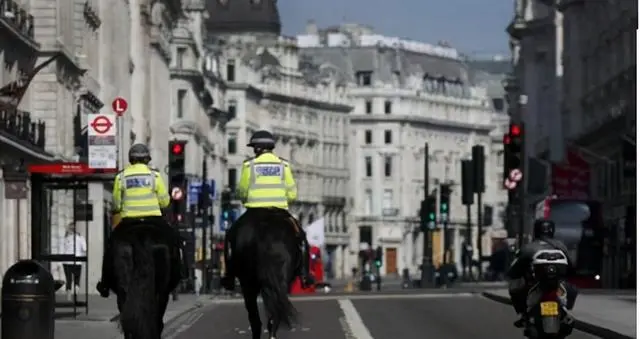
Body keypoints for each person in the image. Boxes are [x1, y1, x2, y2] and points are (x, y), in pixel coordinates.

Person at [220, 130, 313, 290]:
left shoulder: (249, 165)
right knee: (301, 238)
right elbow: (292, 193)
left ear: (256, 149)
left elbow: (242, 191)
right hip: (279, 211)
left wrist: (246, 198)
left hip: (254, 211)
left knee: (231, 237)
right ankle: (305, 274)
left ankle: (230, 276)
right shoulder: (284, 165)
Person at [96, 143, 174, 298]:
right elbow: (165, 202)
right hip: (153, 219)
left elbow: (117, 204)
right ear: (147, 160)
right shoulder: (155, 176)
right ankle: (179, 273)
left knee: (111, 246)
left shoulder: (121, 176)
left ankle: (105, 283)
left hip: (129, 221)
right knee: (174, 241)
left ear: (131, 160)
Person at [507, 218, 573, 328]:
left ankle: (523, 315)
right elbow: (570, 266)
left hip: (537, 284)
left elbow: (515, 267)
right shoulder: (561, 246)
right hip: (556, 285)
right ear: (552, 230)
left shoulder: (528, 247)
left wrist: (513, 274)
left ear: (536, 230)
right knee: (571, 289)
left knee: (514, 287)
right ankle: (565, 312)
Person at [62, 222, 87, 300]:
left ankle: (68, 297)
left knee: (68, 279)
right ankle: (75, 295)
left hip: (66, 261)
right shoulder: (80, 238)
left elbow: (62, 249)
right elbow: (85, 249)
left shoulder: (66, 238)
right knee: (77, 279)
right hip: (77, 261)